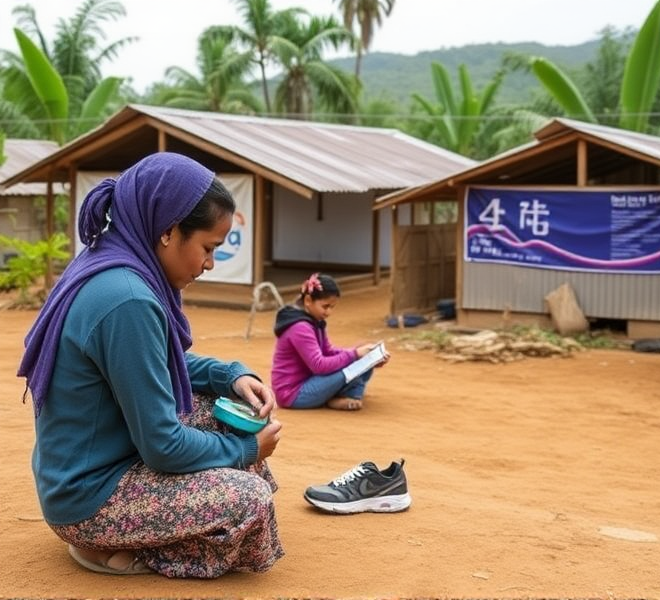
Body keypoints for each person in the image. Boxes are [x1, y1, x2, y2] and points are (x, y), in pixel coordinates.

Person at [17, 152, 284, 578]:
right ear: (168, 232)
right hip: (91, 497)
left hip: (82, 472)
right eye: (208, 248)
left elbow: (158, 361)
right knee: (248, 498)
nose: (209, 264)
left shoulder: (108, 263)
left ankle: (124, 539)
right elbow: (163, 446)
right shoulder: (128, 300)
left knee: (225, 411)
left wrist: (230, 376)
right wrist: (246, 451)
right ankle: (108, 543)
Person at [271, 272, 387, 411]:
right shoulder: (300, 327)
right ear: (308, 300)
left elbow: (328, 352)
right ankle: (347, 395)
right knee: (354, 365)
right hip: (294, 394)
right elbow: (319, 365)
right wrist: (354, 354)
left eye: (332, 307)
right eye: (325, 306)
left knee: (363, 360)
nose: (329, 312)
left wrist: (365, 355)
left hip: (312, 380)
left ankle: (341, 395)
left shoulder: (315, 322)